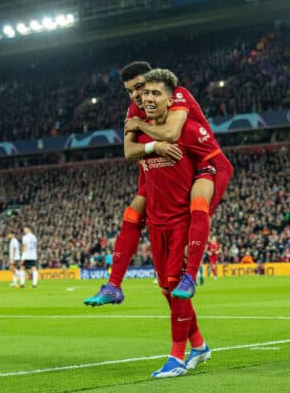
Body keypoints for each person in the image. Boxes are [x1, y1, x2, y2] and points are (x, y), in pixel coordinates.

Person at [84, 61, 232, 305]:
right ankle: (113, 285)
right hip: (160, 167)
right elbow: (129, 151)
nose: (137, 96)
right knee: (132, 214)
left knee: (197, 208)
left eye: (141, 88)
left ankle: (191, 276)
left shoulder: (178, 95)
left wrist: (142, 128)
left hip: (196, 164)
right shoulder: (134, 107)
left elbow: (173, 133)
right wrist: (154, 146)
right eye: (130, 91)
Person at [134, 68, 219, 377]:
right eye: (146, 94)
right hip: (156, 223)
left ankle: (177, 357)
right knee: (167, 291)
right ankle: (199, 345)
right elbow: (132, 155)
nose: (149, 98)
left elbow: (218, 164)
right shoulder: (140, 133)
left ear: (172, 100)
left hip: (181, 221)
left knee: (175, 286)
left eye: (157, 93)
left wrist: (205, 203)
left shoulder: (189, 130)